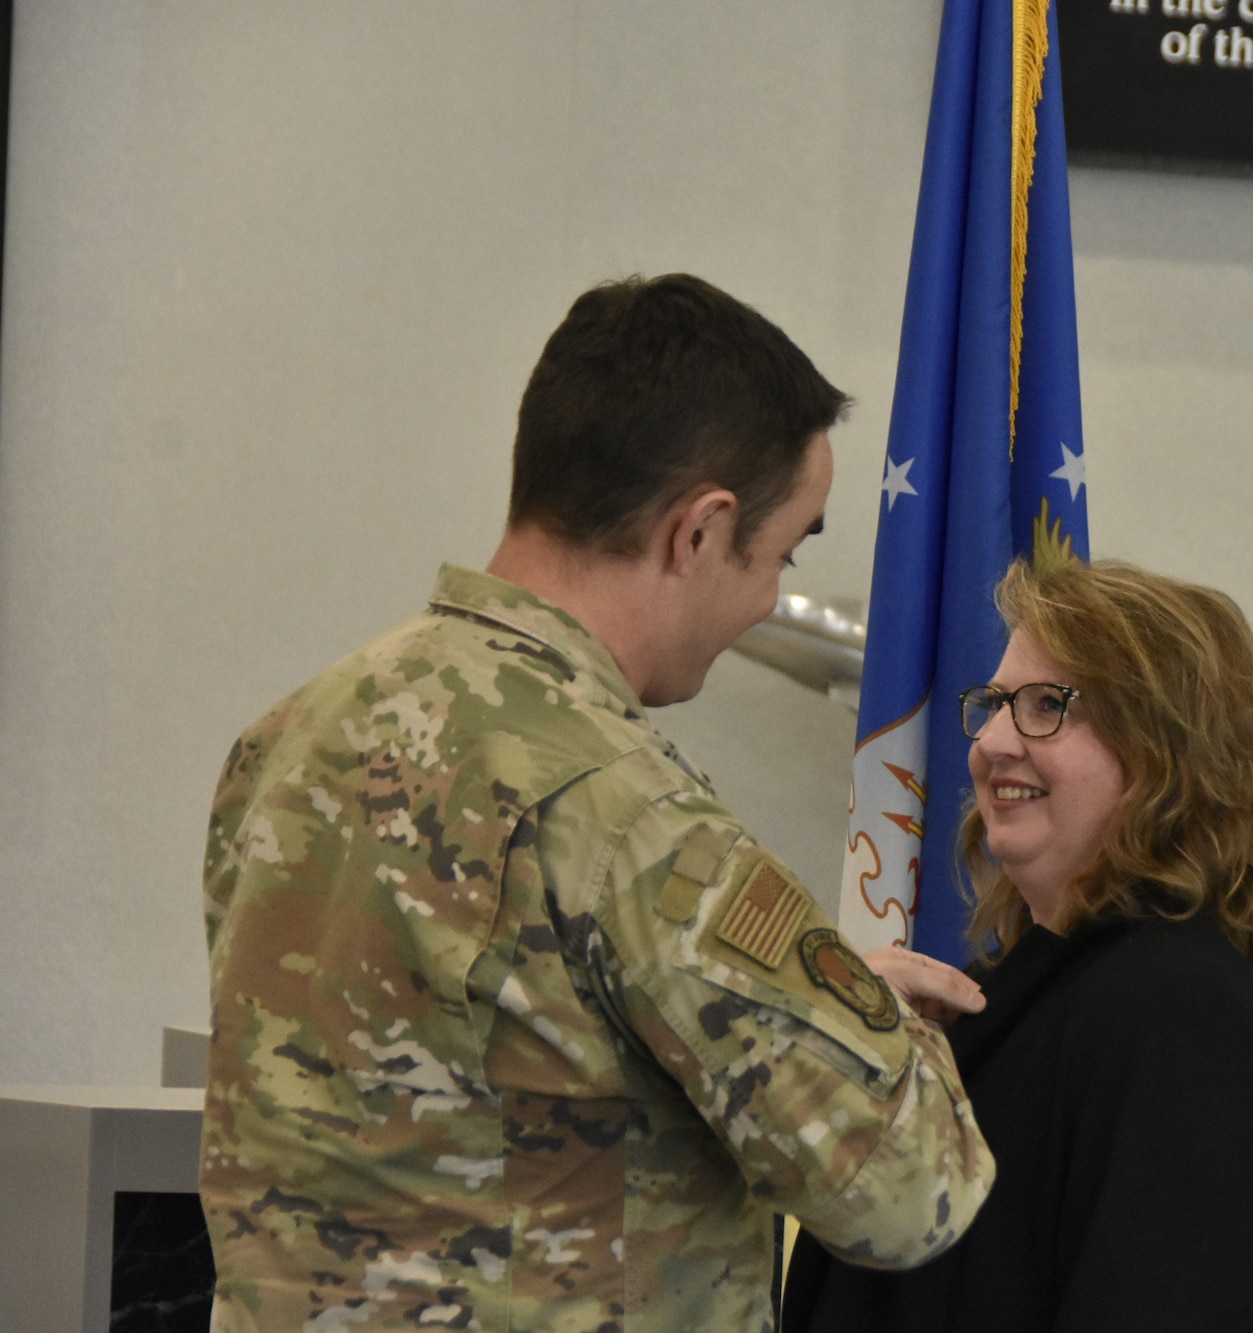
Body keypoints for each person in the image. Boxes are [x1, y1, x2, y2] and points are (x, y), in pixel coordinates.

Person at [200, 274, 994, 1332]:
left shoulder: (289, 736)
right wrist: (865, 1021)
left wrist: (800, 1004)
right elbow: (909, 1190)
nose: (769, 599)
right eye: (785, 551)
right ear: (699, 530)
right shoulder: (626, 812)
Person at [783, 557, 1253, 1333]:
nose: (991, 742)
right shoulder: (1017, 990)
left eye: (1047, 705)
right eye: (996, 704)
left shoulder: (1181, 1007)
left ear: (1167, 751)